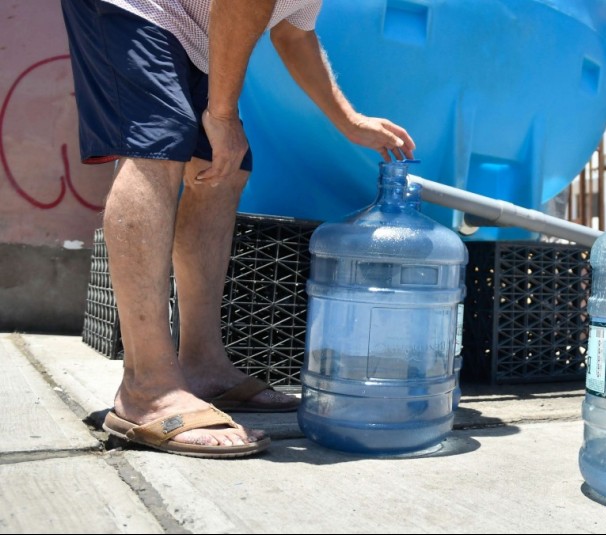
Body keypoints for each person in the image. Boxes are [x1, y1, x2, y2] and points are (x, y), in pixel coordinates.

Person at [60, 0, 416, 457]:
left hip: (191, 29)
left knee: (222, 167)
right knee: (157, 148)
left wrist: (349, 121)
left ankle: (203, 365)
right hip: (136, 8)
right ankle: (145, 387)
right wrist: (222, 115)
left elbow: (293, 30)